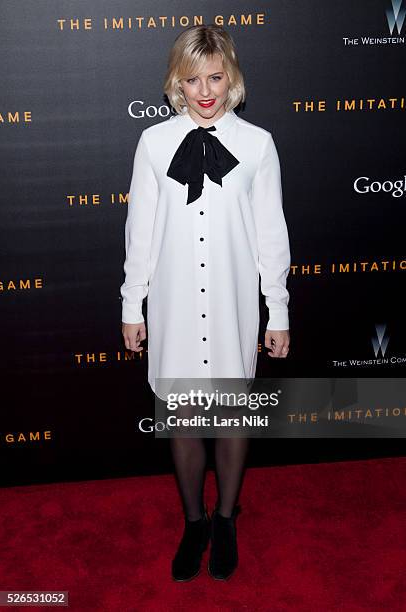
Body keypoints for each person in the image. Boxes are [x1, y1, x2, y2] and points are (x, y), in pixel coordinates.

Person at [120, 24, 291, 582]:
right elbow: (139, 231)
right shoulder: (153, 143)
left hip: (231, 300)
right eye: (192, 79)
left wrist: (277, 309)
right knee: (184, 418)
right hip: (171, 300)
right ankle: (194, 521)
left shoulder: (258, 144)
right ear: (177, 81)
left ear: (232, 77)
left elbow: (271, 236)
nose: (205, 90)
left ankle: (225, 519)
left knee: (232, 413)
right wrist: (132, 305)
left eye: (215, 76)